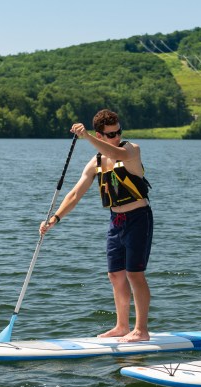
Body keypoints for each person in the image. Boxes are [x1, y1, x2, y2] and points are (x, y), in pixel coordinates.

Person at [40, 109, 153, 343]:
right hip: (116, 221)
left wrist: (88, 138)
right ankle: (122, 326)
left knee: (135, 274)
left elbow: (117, 153)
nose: (116, 137)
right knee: (115, 275)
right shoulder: (95, 163)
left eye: (118, 132)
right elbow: (75, 194)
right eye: (110, 134)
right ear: (101, 135)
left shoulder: (131, 150)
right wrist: (54, 219)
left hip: (138, 218)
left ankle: (141, 330)